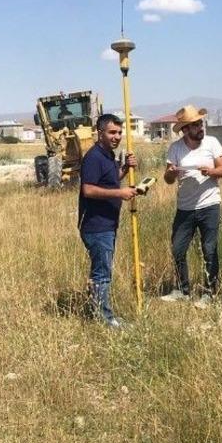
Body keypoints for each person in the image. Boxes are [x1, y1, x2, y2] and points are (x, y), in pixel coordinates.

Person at [161, 105, 222, 303]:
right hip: (185, 208)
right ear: (185, 129)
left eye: (201, 123)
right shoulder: (175, 148)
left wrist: (210, 171)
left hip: (209, 205)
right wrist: (171, 173)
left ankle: (209, 292)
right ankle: (182, 290)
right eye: (196, 125)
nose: (201, 127)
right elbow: (168, 179)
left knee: (210, 249)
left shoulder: (212, 143)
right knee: (178, 249)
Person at [79, 113, 137, 327]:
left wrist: (123, 169)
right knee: (102, 273)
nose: (117, 136)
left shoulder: (108, 156)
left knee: (102, 270)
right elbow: (89, 189)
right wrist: (120, 194)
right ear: (100, 133)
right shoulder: (93, 157)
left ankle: (98, 311)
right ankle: (105, 320)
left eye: (119, 132)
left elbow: (109, 181)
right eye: (112, 132)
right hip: (96, 226)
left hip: (107, 224)